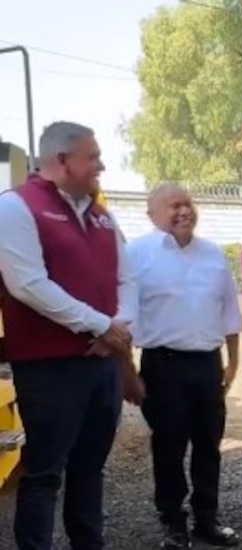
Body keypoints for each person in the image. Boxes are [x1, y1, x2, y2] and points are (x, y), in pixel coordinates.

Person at [0, 121, 141, 550]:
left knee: (90, 469)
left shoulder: (101, 215)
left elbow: (127, 278)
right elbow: (27, 283)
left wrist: (118, 328)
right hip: (49, 369)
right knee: (44, 472)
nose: (101, 164)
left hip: (103, 365)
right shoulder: (16, 208)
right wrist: (100, 325)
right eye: (93, 156)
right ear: (62, 160)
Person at [126, 183, 242, 548]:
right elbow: (124, 315)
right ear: (153, 214)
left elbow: (229, 310)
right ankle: (173, 521)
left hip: (208, 364)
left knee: (209, 444)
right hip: (163, 365)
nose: (184, 211)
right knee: (169, 446)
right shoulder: (136, 254)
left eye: (188, 204)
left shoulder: (212, 254)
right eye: (174, 205)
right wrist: (127, 373)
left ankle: (207, 518)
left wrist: (233, 362)